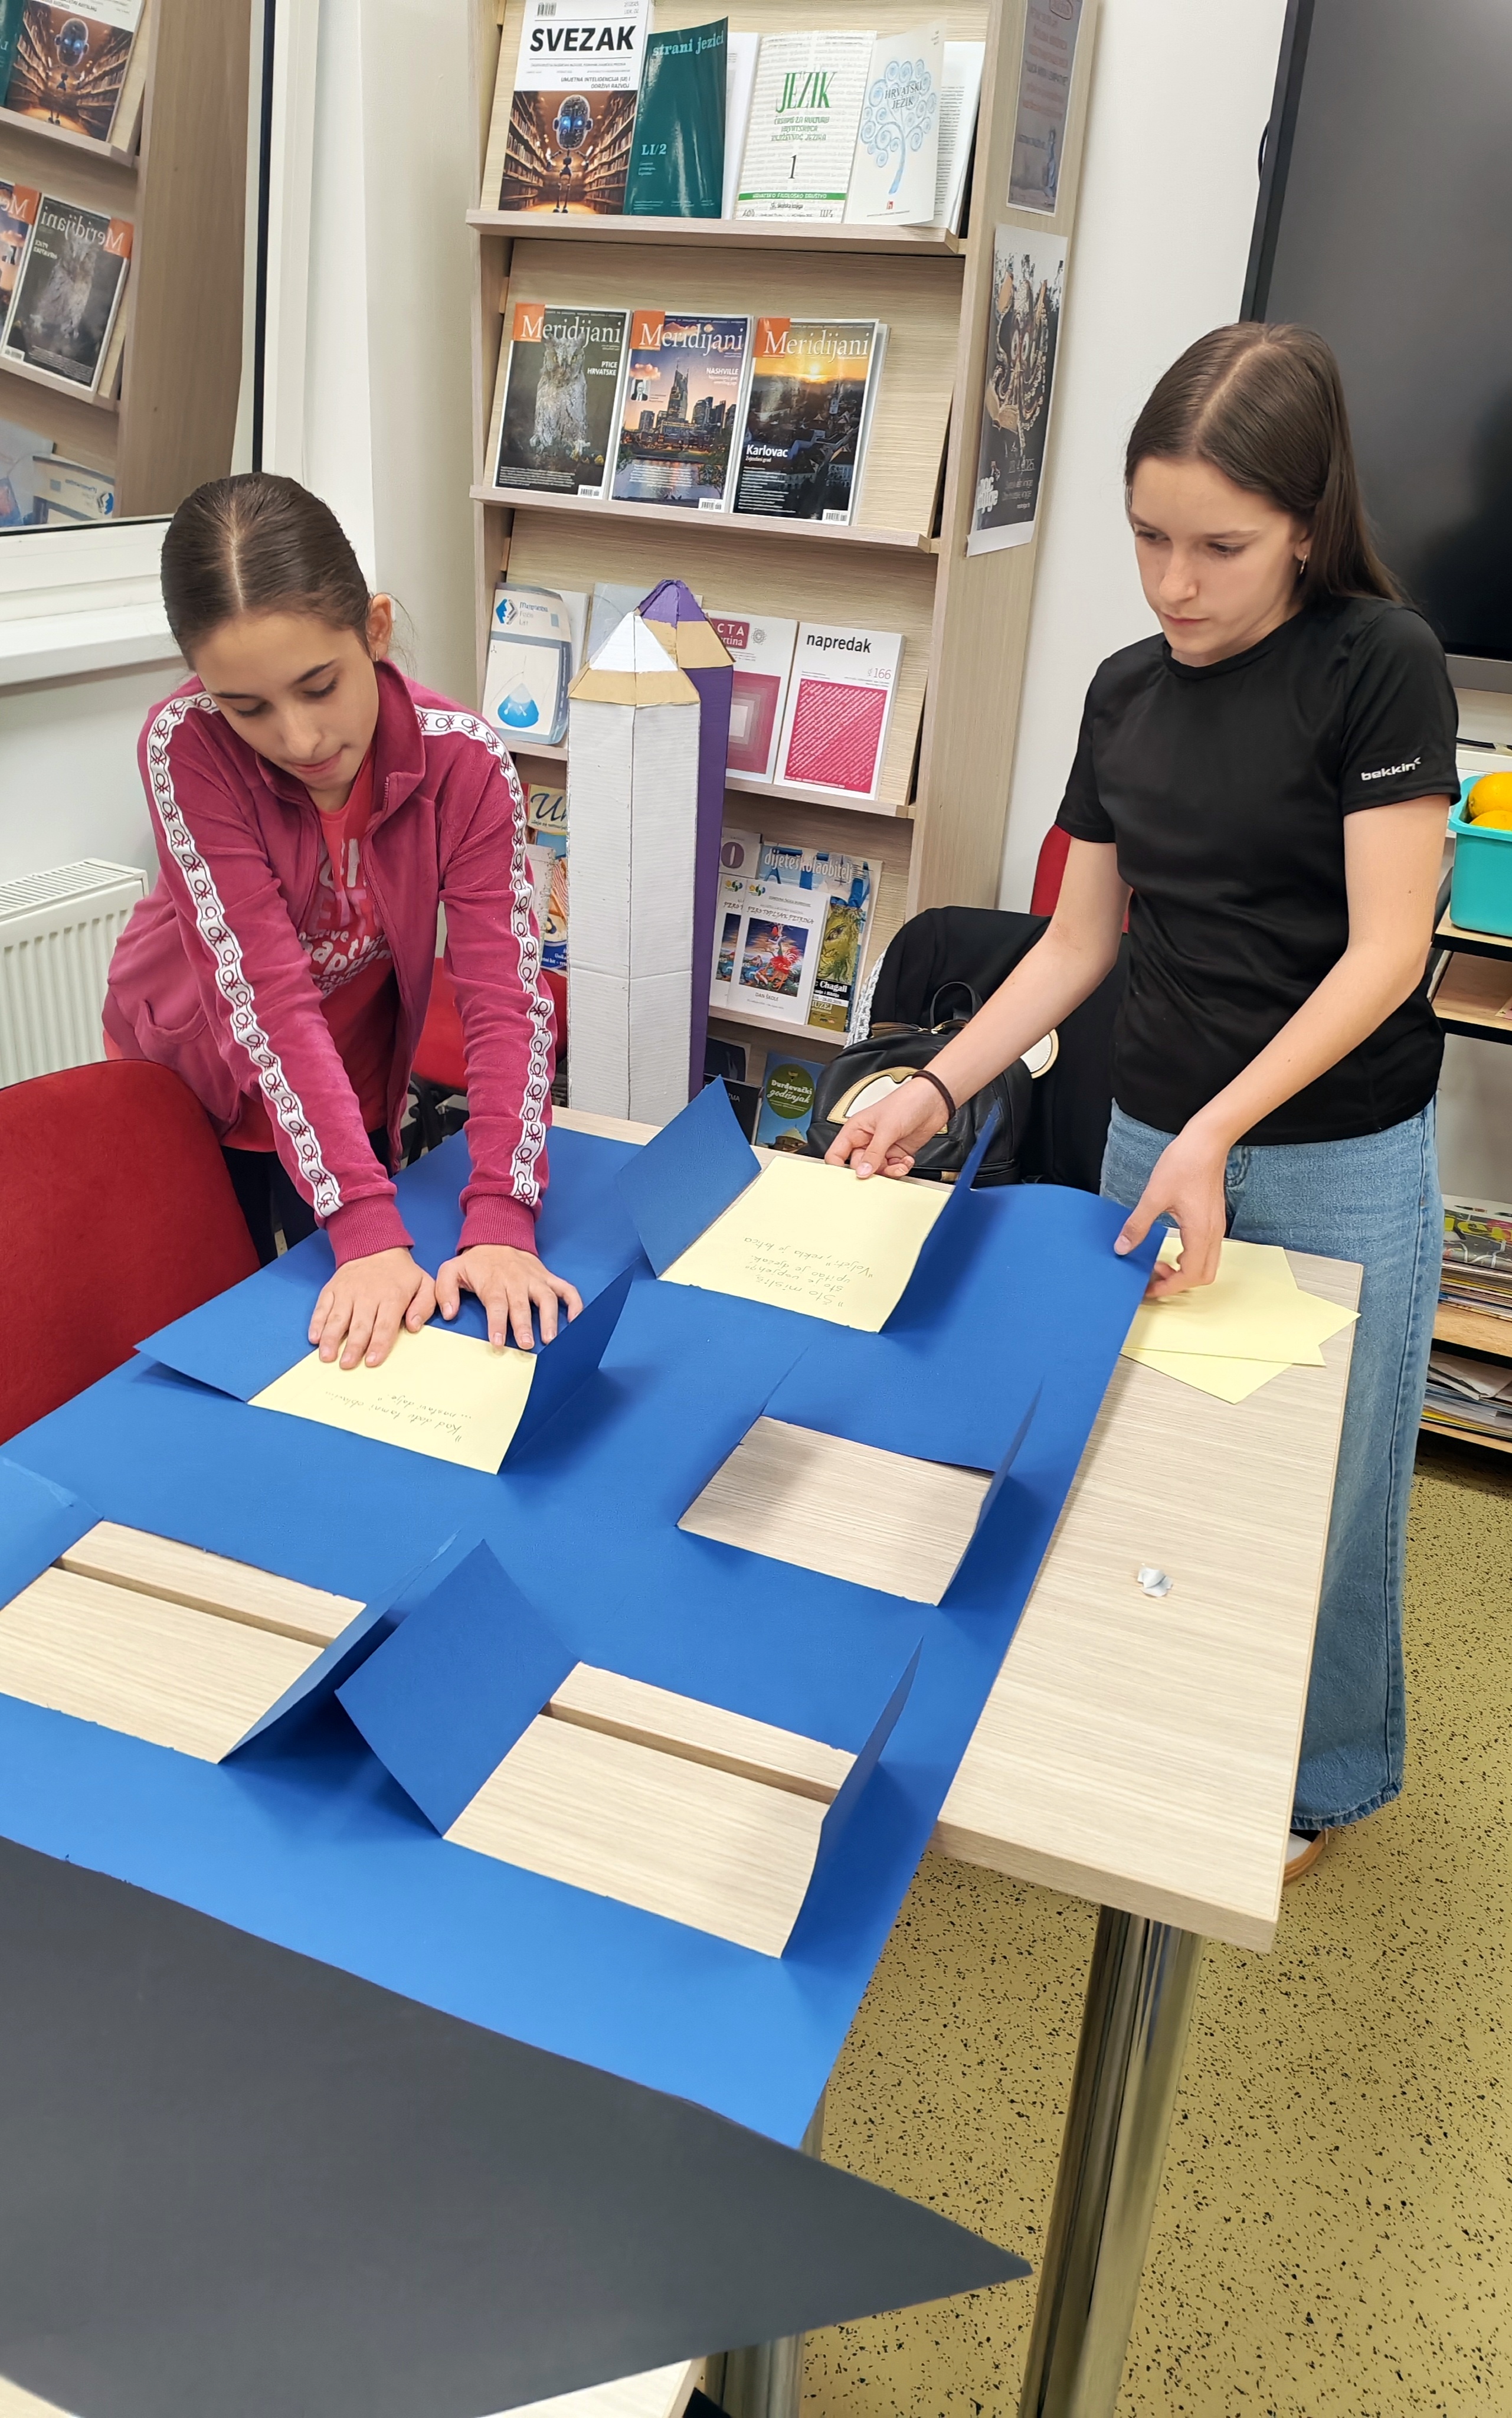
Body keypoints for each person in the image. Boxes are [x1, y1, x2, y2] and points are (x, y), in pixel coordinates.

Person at [827, 324, 1459, 1876]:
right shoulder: (1124, 695)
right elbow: (1076, 944)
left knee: (1324, 1485)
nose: (1175, 583)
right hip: (1153, 1136)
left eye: (1219, 547)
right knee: (1142, 1454)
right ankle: (1137, 1715)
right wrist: (936, 1082)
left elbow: (1389, 951)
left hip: (1332, 1148)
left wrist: (1221, 1131)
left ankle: (1313, 1775)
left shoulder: (1380, 665)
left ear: (1303, 525)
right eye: (1148, 538)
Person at [106, 472, 580, 1371]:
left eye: (319, 686)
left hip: (347, 1072)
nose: (299, 740)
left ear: (376, 629)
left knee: (372, 1332)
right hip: (191, 1074)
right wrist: (361, 1224)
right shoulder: (185, 744)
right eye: (248, 707)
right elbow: (267, 1001)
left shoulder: (466, 763)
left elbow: (502, 1000)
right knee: (227, 1335)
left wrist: (500, 1214)